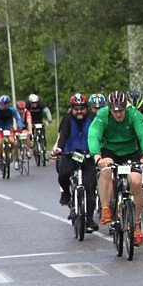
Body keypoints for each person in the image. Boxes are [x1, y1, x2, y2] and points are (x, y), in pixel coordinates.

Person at [88, 91, 143, 245]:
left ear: (125, 108)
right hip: (110, 151)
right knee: (106, 169)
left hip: (130, 152)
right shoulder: (103, 115)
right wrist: (97, 156)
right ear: (110, 109)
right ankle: (105, 208)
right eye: (115, 111)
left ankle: (136, 224)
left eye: (121, 111)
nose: (118, 115)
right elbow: (94, 135)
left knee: (136, 183)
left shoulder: (134, 115)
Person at [52, 93, 98, 232]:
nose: (79, 111)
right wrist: (59, 148)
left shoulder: (93, 118)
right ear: (71, 108)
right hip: (70, 153)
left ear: (87, 108)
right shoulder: (67, 119)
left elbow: (98, 135)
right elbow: (64, 135)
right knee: (63, 173)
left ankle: (89, 219)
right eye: (76, 108)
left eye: (82, 108)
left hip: (88, 155)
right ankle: (66, 193)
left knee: (90, 187)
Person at [0, 95, 23, 170]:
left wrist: (20, 127)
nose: (0, 106)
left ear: (7, 104)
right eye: (0, 104)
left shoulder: (12, 110)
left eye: (2, 104)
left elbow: (18, 118)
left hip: (8, 127)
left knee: (13, 142)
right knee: (0, 142)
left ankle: (15, 158)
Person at [27, 93, 53, 160]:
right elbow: (24, 113)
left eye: (36, 103)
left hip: (39, 121)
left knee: (43, 136)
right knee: (31, 132)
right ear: (30, 102)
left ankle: (44, 148)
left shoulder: (41, 104)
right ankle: (32, 142)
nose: (34, 104)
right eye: (33, 103)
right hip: (31, 121)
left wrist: (49, 120)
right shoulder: (27, 105)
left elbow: (47, 111)